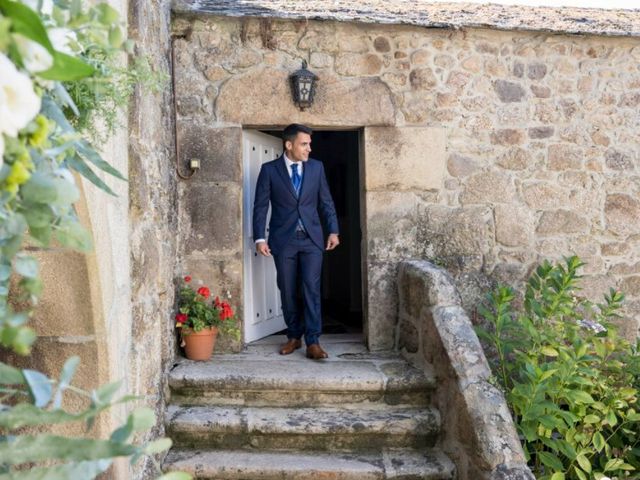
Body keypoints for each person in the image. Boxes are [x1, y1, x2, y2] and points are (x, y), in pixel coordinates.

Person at [252, 124, 339, 360]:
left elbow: (326, 202)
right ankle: (293, 336)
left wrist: (333, 231)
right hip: (284, 240)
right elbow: (260, 206)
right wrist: (260, 237)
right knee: (288, 289)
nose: (309, 148)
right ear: (288, 145)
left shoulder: (316, 168)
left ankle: (313, 341)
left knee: (311, 288)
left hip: (312, 239)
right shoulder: (269, 170)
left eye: (309, 144)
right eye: (304, 144)